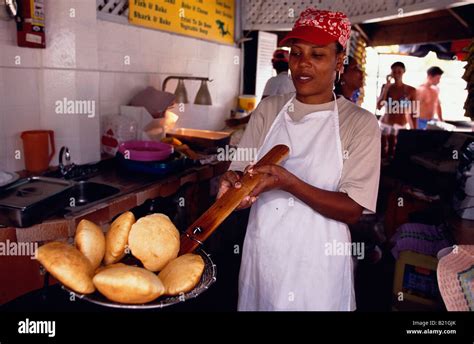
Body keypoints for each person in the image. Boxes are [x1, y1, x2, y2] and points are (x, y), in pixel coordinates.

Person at [217, 8, 381, 311]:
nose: (302, 64)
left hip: (318, 267)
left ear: (339, 61)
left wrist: (289, 183)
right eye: (296, 53)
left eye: (317, 55)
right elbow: (241, 176)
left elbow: (352, 210)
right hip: (263, 257)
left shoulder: (359, 123)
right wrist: (233, 186)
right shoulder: (268, 110)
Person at [377, 62, 418, 160]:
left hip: (400, 125)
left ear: (404, 72)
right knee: (382, 152)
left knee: (396, 153)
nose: (397, 74)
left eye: (399, 71)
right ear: (391, 73)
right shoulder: (386, 87)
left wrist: (415, 131)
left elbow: (414, 112)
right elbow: (379, 106)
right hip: (385, 124)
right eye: (394, 71)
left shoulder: (411, 90)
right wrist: (386, 87)